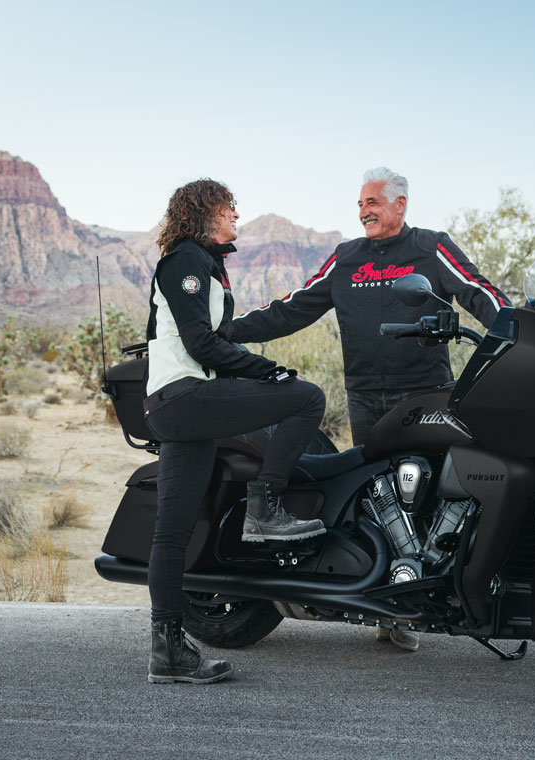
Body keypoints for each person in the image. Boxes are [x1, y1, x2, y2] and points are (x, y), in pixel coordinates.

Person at [222, 167, 511, 650]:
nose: (363, 211)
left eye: (372, 202)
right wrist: (226, 331)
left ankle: (431, 594)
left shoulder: (430, 247)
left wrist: (515, 327)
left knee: (428, 493)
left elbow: (477, 291)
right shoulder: (347, 257)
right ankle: (388, 609)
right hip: (365, 396)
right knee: (377, 495)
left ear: (400, 204)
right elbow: (294, 307)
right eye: (360, 204)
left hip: (425, 392)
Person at [143, 178, 327, 684]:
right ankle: (264, 508)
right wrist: (268, 371)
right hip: (183, 396)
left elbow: (215, 341)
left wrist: (247, 370)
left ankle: (167, 654)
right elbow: (200, 343)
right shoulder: (185, 261)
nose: (235, 217)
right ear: (205, 213)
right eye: (228, 209)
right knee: (307, 398)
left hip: (182, 405)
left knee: (172, 532)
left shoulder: (205, 263)